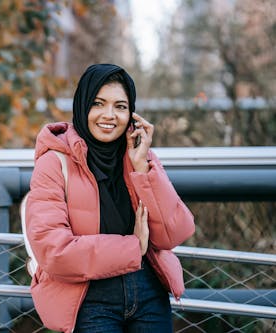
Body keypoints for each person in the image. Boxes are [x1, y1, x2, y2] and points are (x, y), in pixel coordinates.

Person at [25, 63, 195, 333]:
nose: (109, 115)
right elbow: (53, 251)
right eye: (98, 103)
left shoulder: (140, 157)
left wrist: (143, 169)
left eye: (120, 106)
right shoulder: (54, 162)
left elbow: (174, 233)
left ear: (132, 114)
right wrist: (132, 247)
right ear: (82, 105)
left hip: (149, 291)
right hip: (89, 297)